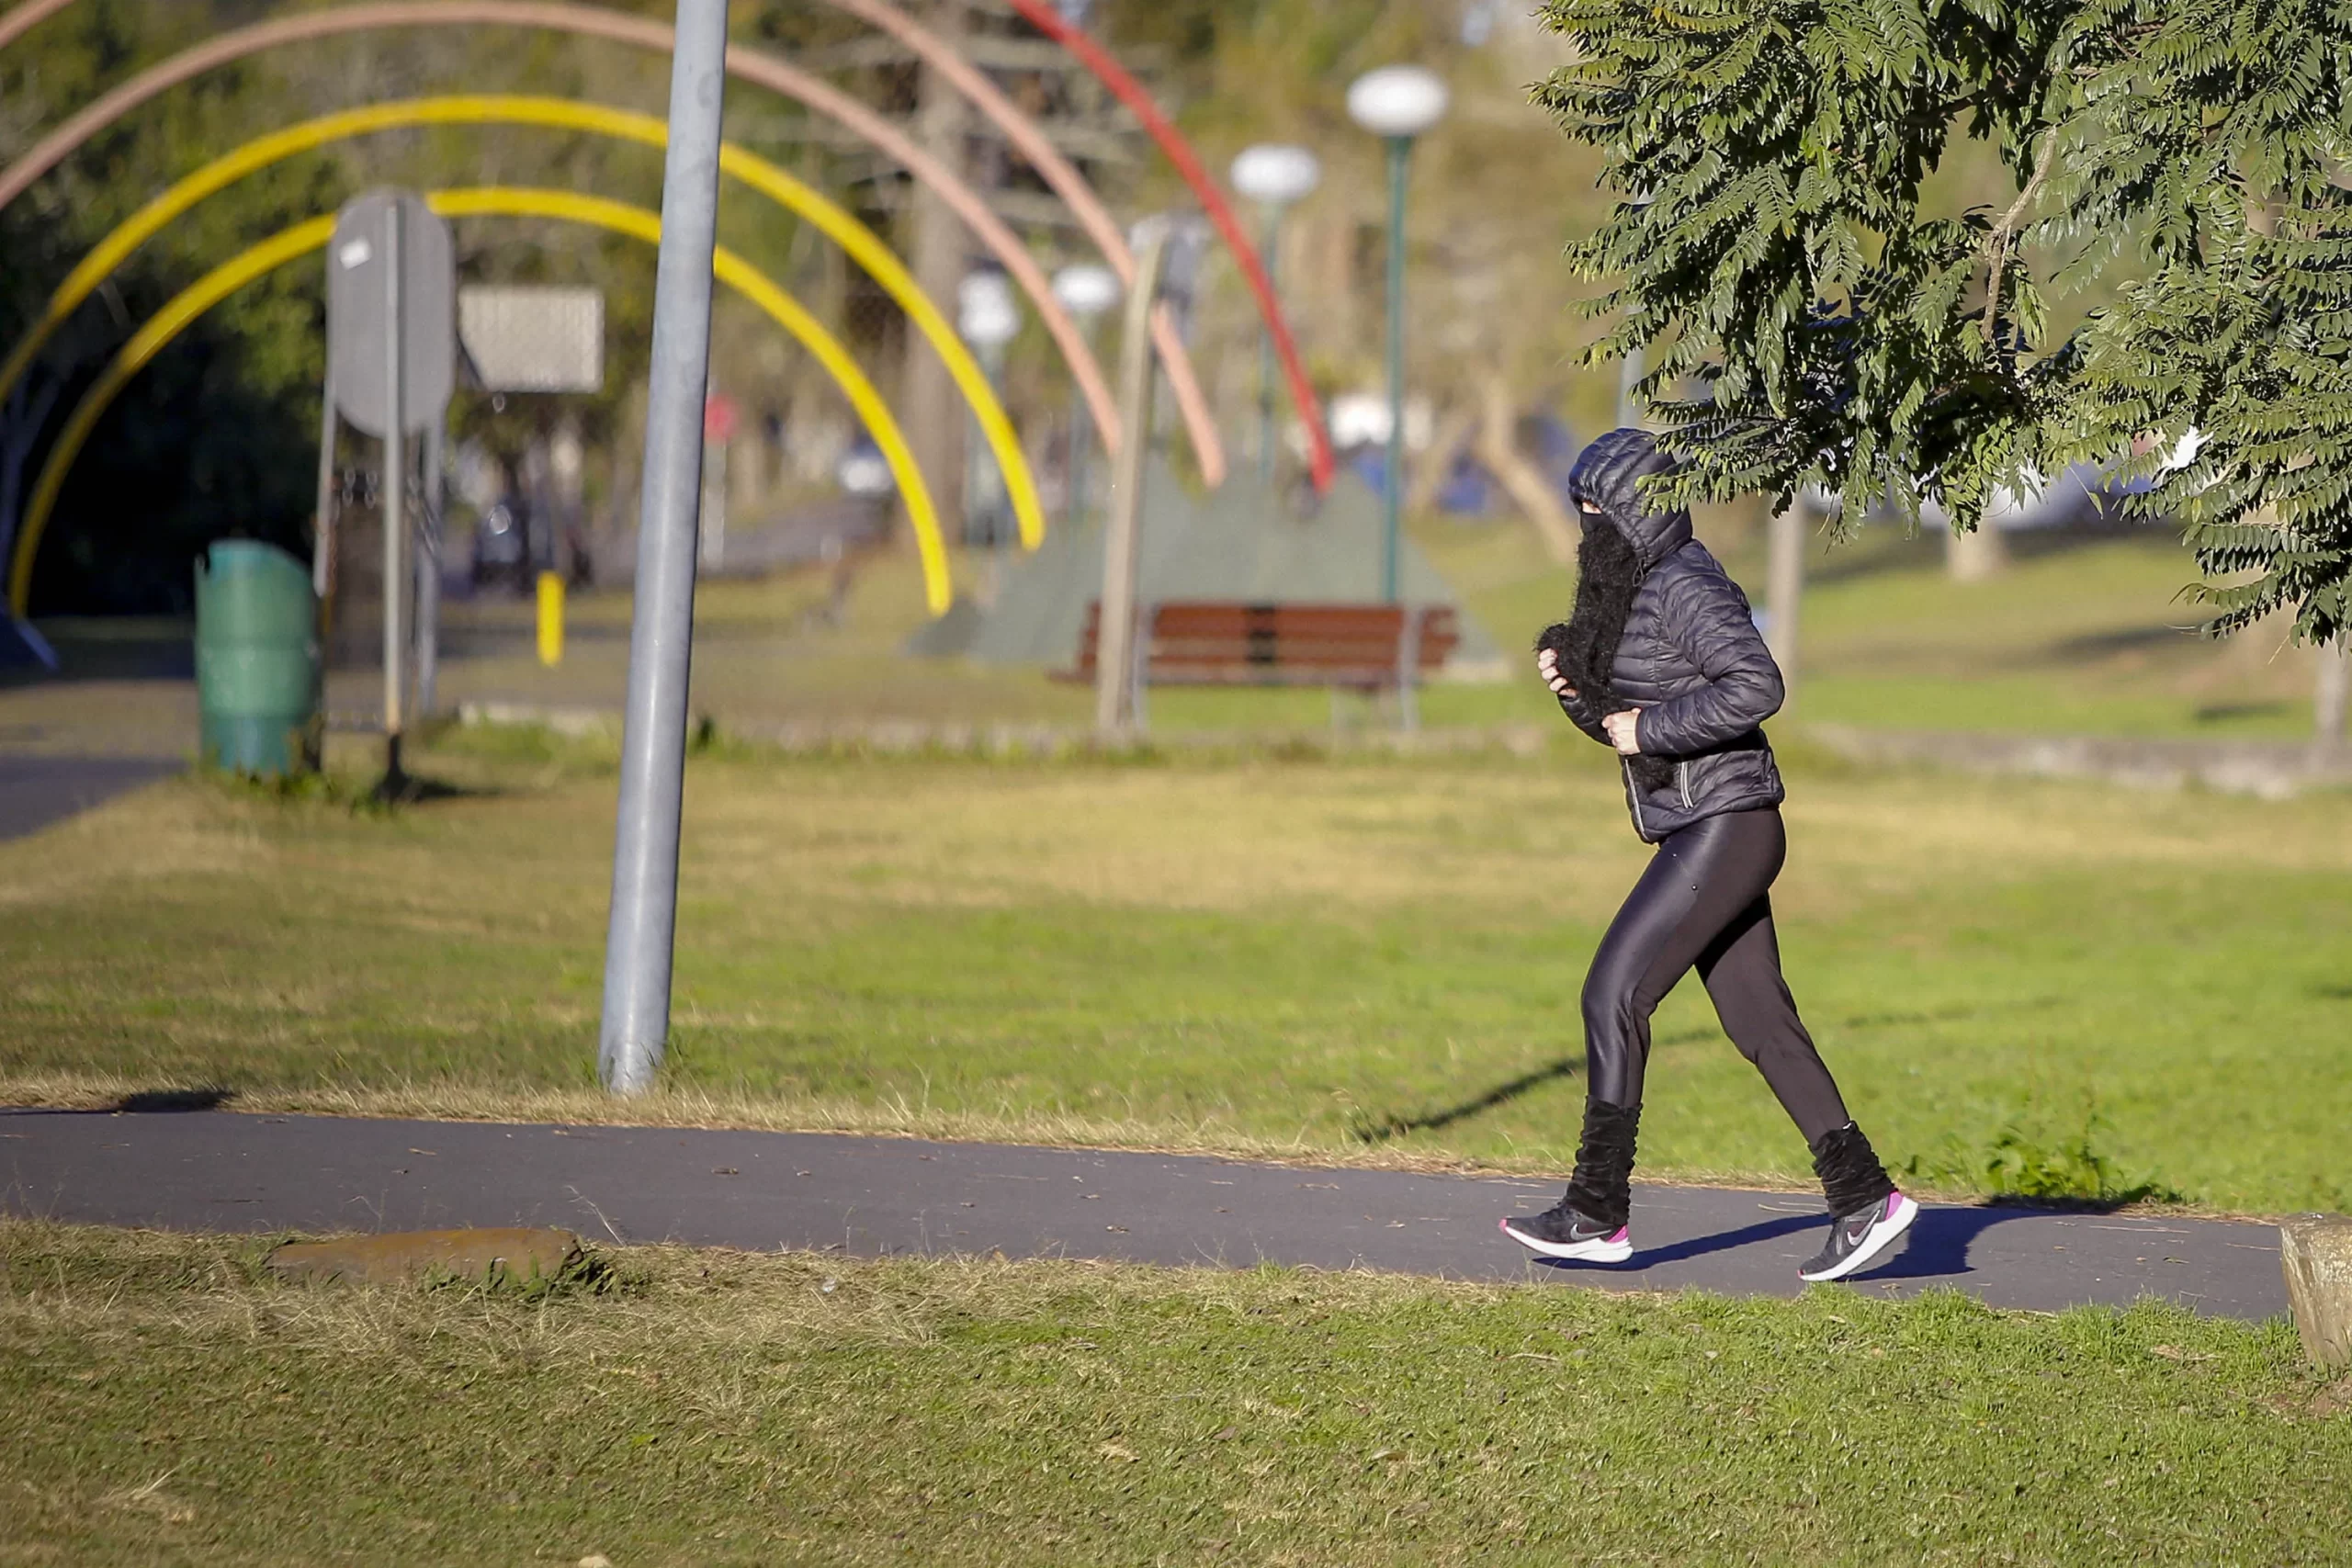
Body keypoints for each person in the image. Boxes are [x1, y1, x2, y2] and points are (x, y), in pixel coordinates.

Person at [1499, 428, 1917, 1283]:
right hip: (1706, 821)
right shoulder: (1634, 587)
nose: (1585, 524)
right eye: (1579, 506)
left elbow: (1758, 684)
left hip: (1728, 823)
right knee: (1760, 1021)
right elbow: (1632, 734)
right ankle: (1865, 1199)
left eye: (1595, 508)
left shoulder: (1686, 583)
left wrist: (1645, 726)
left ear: (1635, 510)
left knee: (1614, 992)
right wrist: (1581, 695)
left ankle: (1595, 1210)